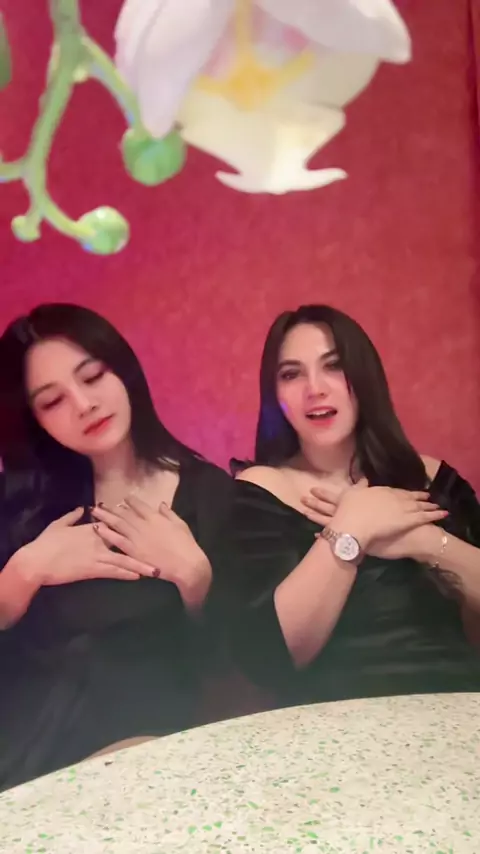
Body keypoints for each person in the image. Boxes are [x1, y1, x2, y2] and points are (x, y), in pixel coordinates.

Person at [0, 303, 234, 791]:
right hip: (20, 744)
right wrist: (25, 572)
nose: (83, 403)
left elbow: (235, 664)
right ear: (35, 420)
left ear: (122, 370)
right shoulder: (20, 501)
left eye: (92, 376)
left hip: (137, 753)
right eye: (52, 401)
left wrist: (196, 579)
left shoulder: (208, 494)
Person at [226, 304, 480, 707]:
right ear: (276, 396)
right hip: (336, 721)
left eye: (334, 366)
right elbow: (268, 661)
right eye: (291, 374)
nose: (315, 388)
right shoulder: (263, 489)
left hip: (455, 706)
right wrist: (351, 530)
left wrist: (422, 541)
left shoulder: (434, 478)